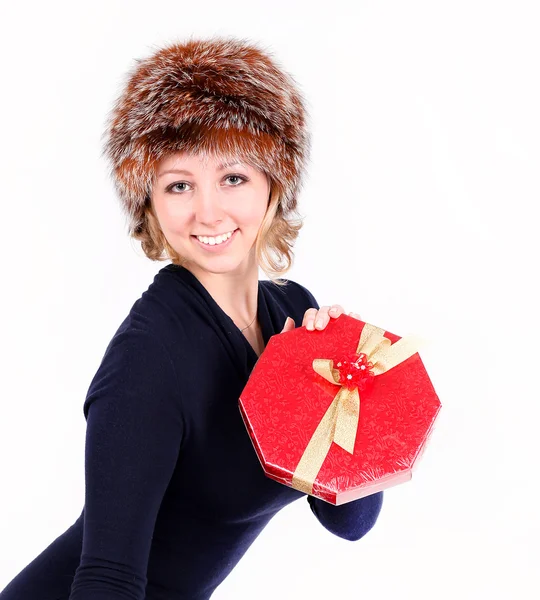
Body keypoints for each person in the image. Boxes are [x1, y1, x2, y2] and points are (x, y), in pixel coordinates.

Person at [0, 35, 384, 600]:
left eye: (233, 178)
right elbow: (107, 579)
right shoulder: (148, 360)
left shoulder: (295, 316)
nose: (208, 212)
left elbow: (350, 523)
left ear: (273, 188)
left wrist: (338, 402)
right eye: (179, 185)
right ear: (150, 204)